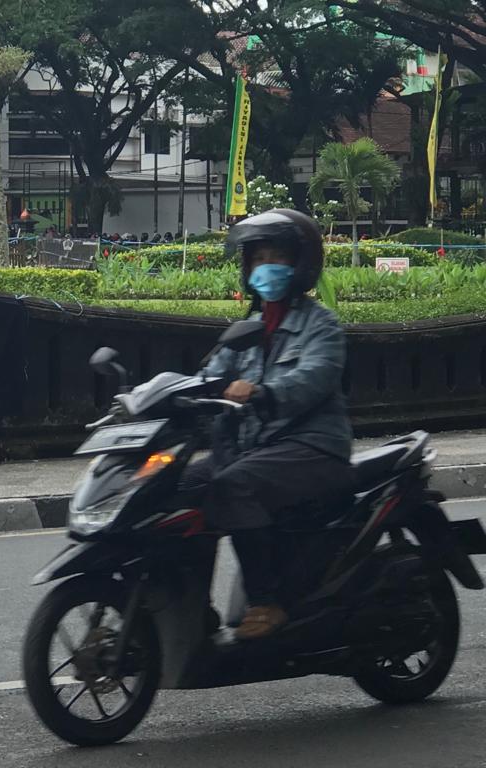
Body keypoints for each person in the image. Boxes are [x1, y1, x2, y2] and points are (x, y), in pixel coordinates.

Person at [191, 209, 353, 640]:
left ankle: (266, 601)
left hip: (311, 447)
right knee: (177, 484)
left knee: (233, 486)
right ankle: (190, 607)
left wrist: (263, 393)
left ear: (300, 264)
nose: (266, 267)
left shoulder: (321, 325)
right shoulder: (245, 329)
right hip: (254, 447)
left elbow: (313, 378)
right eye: (258, 258)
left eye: (276, 257)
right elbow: (212, 374)